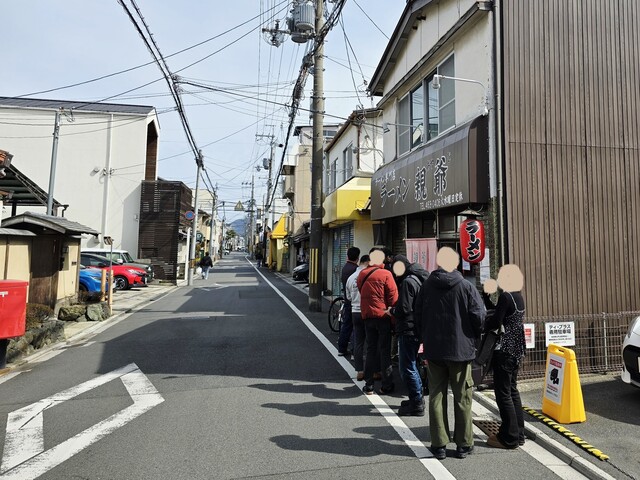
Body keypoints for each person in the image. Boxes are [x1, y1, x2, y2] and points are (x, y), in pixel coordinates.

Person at [416, 247, 485, 460]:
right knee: (463, 396)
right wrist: (472, 337)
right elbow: (479, 316)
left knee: (436, 395)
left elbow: (417, 315)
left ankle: (439, 444)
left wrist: (423, 338)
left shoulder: (427, 286)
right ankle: (464, 444)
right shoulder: (466, 286)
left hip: (434, 349)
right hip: (460, 350)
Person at [484, 264, 526, 449]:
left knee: (503, 394)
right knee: (512, 391)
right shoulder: (518, 297)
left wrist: (482, 324)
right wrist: (487, 299)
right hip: (516, 350)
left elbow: (495, 321)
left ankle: (509, 437)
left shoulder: (506, 296)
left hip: (504, 350)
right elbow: (502, 313)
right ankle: (519, 434)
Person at [391, 255, 429, 416]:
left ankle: (416, 403)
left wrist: (392, 310)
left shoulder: (408, 282)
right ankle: (417, 398)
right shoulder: (420, 278)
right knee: (413, 365)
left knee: (407, 367)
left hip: (408, 328)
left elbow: (404, 308)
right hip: (418, 328)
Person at [358, 248, 398, 395]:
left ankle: (369, 385)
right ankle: (386, 385)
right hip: (383, 317)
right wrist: (393, 317)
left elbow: (361, 291)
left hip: (368, 317)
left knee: (370, 350)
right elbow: (393, 298)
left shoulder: (362, 274)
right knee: (385, 351)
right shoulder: (386, 274)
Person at [345, 254, 369, 380]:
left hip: (355, 312)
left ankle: (359, 370)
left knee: (358, 342)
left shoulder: (351, 278)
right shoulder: (370, 276)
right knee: (371, 342)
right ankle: (372, 370)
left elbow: (348, 297)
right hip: (367, 312)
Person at [338, 246, 360, 357]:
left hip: (347, 300)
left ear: (347, 256)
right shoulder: (356, 270)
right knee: (356, 328)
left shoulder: (345, 267)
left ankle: (341, 349)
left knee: (346, 326)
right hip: (355, 302)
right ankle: (354, 352)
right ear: (358, 257)